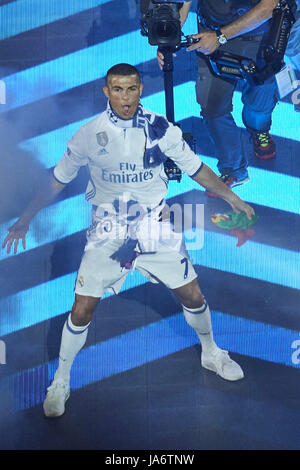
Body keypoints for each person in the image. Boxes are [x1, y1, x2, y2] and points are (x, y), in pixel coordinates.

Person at [2, 63, 255, 418]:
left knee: (193, 295)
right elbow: (56, 181)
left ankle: (211, 352)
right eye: (117, 89)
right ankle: (60, 380)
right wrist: (24, 221)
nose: (125, 97)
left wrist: (232, 198)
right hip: (108, 232)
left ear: (140, 90)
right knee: (82, 309)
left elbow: (196, 169)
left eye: (132, 88)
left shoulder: (161, 130)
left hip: (155, 225)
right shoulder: (88, 135)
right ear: (107, 92)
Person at [157, 0, 279, 196]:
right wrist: (167, 37)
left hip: (259, 37)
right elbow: (185, 4)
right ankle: (233, 169)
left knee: (258, 104)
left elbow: (269, 6)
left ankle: (259, 130)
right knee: (212, 107)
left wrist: (221, 36)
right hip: (211, 36)